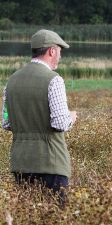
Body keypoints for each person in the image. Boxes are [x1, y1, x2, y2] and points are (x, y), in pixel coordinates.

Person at [1, 29, 77, 206]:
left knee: (28, 216)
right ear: (51, 51)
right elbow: (59, 123)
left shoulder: (11, 81)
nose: (60, 55)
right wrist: (71, 117)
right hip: (51, 163)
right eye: (59, 50)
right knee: (55, 217)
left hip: (21, 163)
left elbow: (6, 123)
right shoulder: (54, 80)